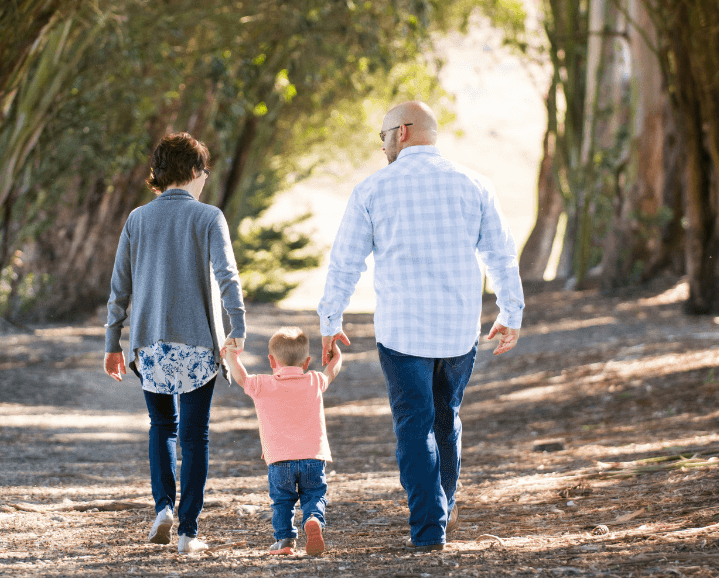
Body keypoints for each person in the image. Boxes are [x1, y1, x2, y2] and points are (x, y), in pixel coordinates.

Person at [318, 100, 523, 552]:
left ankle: (429, 527)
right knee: (446, 418)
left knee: (415, 425)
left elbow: (344, 264)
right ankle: (442, 506)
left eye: (384, 135)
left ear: (403, 132)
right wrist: (511, 313)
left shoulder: (373, 190)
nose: (383, 144)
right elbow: (501, 255)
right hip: (458, 331)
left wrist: (330, 320)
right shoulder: (475, 184)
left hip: (402, 333)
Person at [104, 132, 246, 555]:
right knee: (195, 434)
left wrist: (113, 341)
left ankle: (163, 507)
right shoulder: (208, 217)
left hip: (149, 345)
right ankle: (188, 532)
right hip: (198, 345)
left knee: (161, 426)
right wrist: (238, 326)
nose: (206, 179)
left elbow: (119, 288)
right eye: (204, 171)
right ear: (194, 172)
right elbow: (228, 277)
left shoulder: (137, 219)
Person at [223, 326, 342, 557]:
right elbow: (331, 371)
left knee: (282, 502)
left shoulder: (261, 384)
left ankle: (285, 541)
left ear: (271, 360)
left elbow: (240, 377)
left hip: (279, 460)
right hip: (313, 457)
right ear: (307, 362)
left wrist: (231, 355)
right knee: (314, 494)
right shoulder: (315, 380)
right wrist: (336, 356)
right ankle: (313, 519)